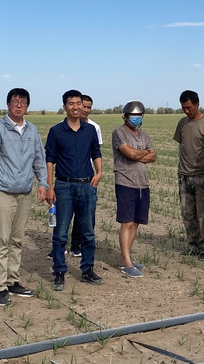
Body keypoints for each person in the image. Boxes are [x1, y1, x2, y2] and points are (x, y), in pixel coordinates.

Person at [0, 88, 48, 306]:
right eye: (15, 101)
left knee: (17, 239)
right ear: (8, 104)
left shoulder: (32, 130)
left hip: (25, 192)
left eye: (23, 102)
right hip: (3, 192)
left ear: (27, 106)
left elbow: (39, 159)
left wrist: (43, 183)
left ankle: (12, 281)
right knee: (2, 240)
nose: (19, 105)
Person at [45, 90, 103, 291]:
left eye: (79, 103)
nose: (76, 107)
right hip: (64, 186)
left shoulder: (90, 130)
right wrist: (49, 186)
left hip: (87, 185)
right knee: (60, 233)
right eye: (71, 104)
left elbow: (96, 152)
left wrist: (99, 172)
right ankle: (59, 272)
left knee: (88, 232)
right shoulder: (56, 131)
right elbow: (50, 159)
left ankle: (87, 270)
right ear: (65, 107)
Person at [112, 100, 156, 278]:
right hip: (126, 182)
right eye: (133, 115)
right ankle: (126, 262)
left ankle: (127, 258)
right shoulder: (119, 132)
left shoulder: (143, 134)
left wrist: (139, 154)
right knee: (127, 222)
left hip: (142, 183)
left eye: (139, 116)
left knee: (136, 222)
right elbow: (129, 154)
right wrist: (143, 153)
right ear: (125, 116)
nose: (136, 118)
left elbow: (153, 156)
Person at [173, 90, 204, 261]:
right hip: (184, 176)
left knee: (203, 215)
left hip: (202, 177)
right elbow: (181, 147)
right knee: (188, 214)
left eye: (189, 107)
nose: (186, 111)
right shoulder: (182, 123)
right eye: (183, 108)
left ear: (197, 104)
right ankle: (193, 246)